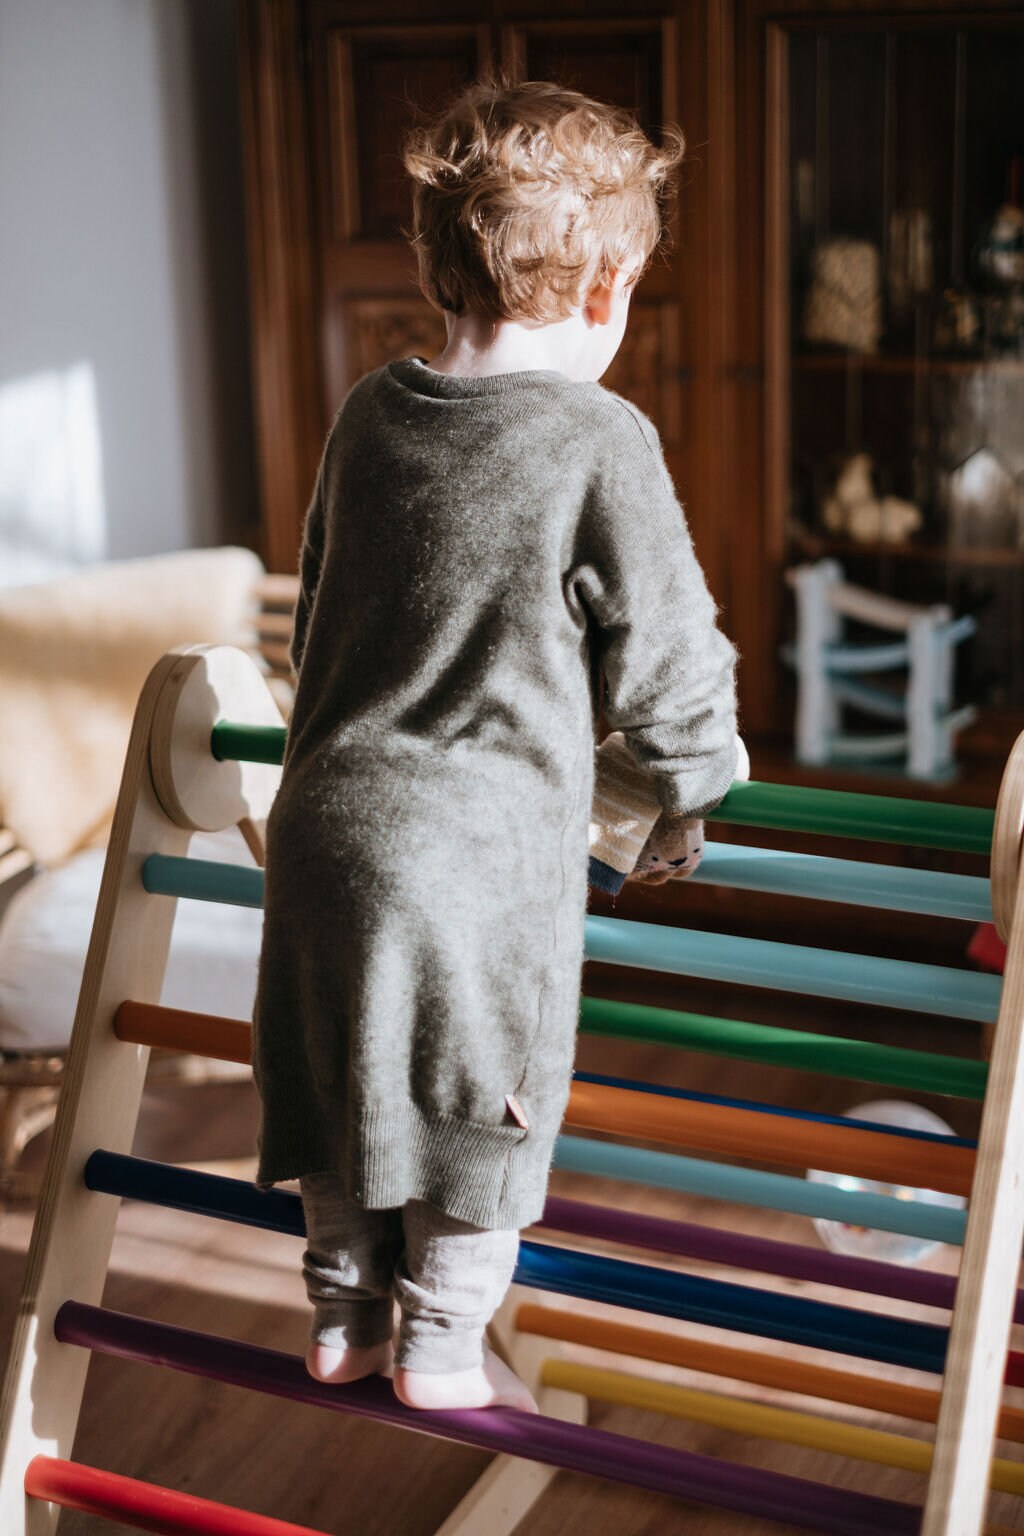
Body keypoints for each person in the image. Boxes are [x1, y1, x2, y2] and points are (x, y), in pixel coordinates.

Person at [252, 76, 740, 1415]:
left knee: (346, 1070)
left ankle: (346, 1317)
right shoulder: (601, 438)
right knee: (486, 1100)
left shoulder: (366, 411)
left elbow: (315, 613)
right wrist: (697, 787)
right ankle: (445, 1347)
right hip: (480, 860)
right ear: (607, 291)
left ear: (431, 265)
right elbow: (673, 656)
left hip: (323, 828)